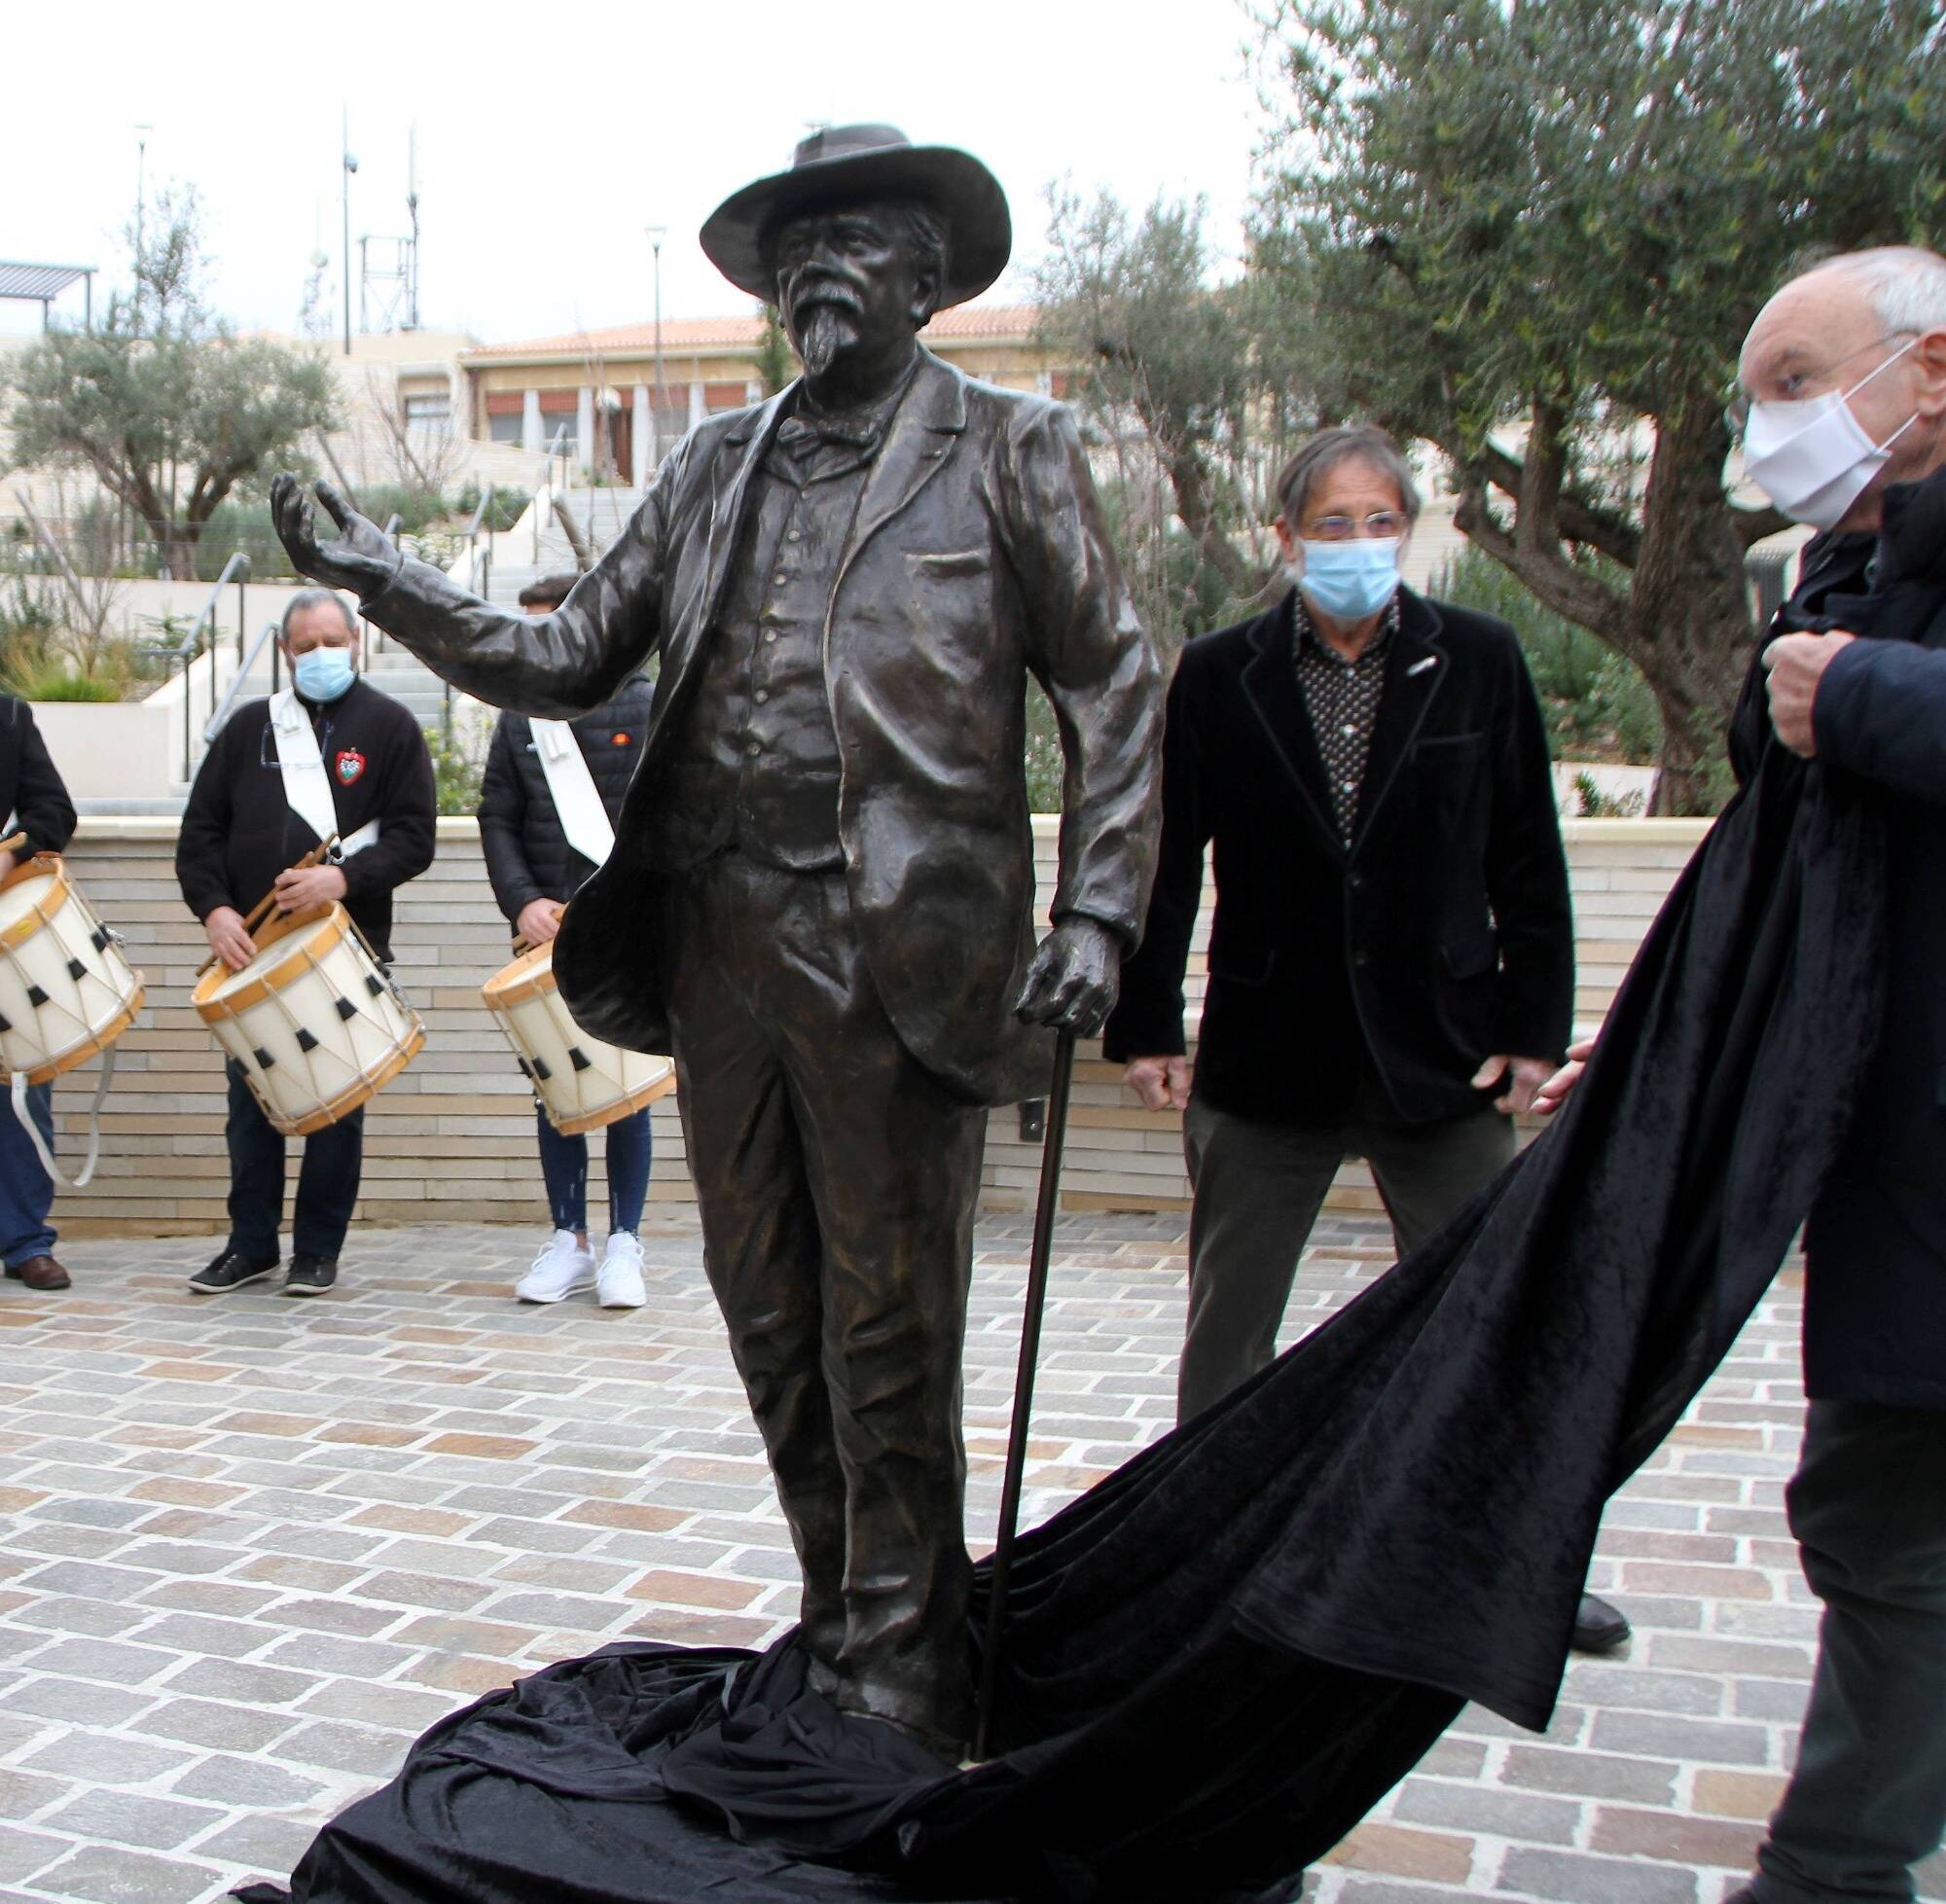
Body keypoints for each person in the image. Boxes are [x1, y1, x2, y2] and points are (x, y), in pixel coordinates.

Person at [270, 124, 1162, 1757]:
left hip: (901, 953)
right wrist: (378, 577)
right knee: (769, 1311)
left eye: (859, 235)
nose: (821, 265)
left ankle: (908, 1661)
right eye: (795, 242)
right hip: (726, 944)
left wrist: (1103, 907)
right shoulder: (714, 463)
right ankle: (842, 1620)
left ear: (930, 271)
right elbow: (559, 653)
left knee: (888, 1326)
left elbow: (1115, 683)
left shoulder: (1014, 447)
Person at [1538, 245, 1946, 1904]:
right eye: (1757, 392)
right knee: (1880, 1495)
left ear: (1928, 374)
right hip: (1883, 1144)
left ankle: (1841, 1868)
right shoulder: (1852, 571)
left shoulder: (1861, 640)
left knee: (1893, 1512)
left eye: (1799, 379)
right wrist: (1647, 1051)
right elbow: (1769, 879)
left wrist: (1863, 690)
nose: (1768, 424)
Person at [1103, 422, 1629, 1654]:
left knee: (1489, 1311)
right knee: (1230, 1329)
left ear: (1408, 529)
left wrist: (1532, 1029)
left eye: (1379, 522)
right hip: (1267, 1049)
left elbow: (1523, 859)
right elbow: (1168, 861)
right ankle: (1205, 1552)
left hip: (1438, 1052)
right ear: (1283, 539)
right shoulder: (1219, 673)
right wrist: (1147, 1024)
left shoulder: (1480, 662)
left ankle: (1516, 1557)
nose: (1356, 546)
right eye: (1330, 526)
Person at [176, 588, 436, 1297]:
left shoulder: (389, 726)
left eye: (332, 639)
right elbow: (199, 835)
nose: (320, 653)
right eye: (305, 643)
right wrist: (215, 911)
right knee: (249, 1107)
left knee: (335, 1108)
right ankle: (250, 1244)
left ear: (355, 641)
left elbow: (416, 840)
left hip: (341, 950)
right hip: (252, 952)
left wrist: (342, 882)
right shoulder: (247, 729)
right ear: (286, 652)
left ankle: (318, 1250)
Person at [480, 570, 655, 1307]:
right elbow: (497, 816)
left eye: (545, 629)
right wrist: (522, 902)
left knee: (629, 1089)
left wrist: (623, 904)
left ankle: (624, 1243)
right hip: (542, 936)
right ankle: (568, 1238)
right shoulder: (521, 717)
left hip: (620, 931)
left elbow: (665, 814)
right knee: (556, 1086)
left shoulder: (644, 705)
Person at [0, 696, 80, 1293]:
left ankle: (26, 1240)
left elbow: (54, 810)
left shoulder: (8, 717)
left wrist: (12, 852)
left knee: (22, 1088)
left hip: (7, 939)